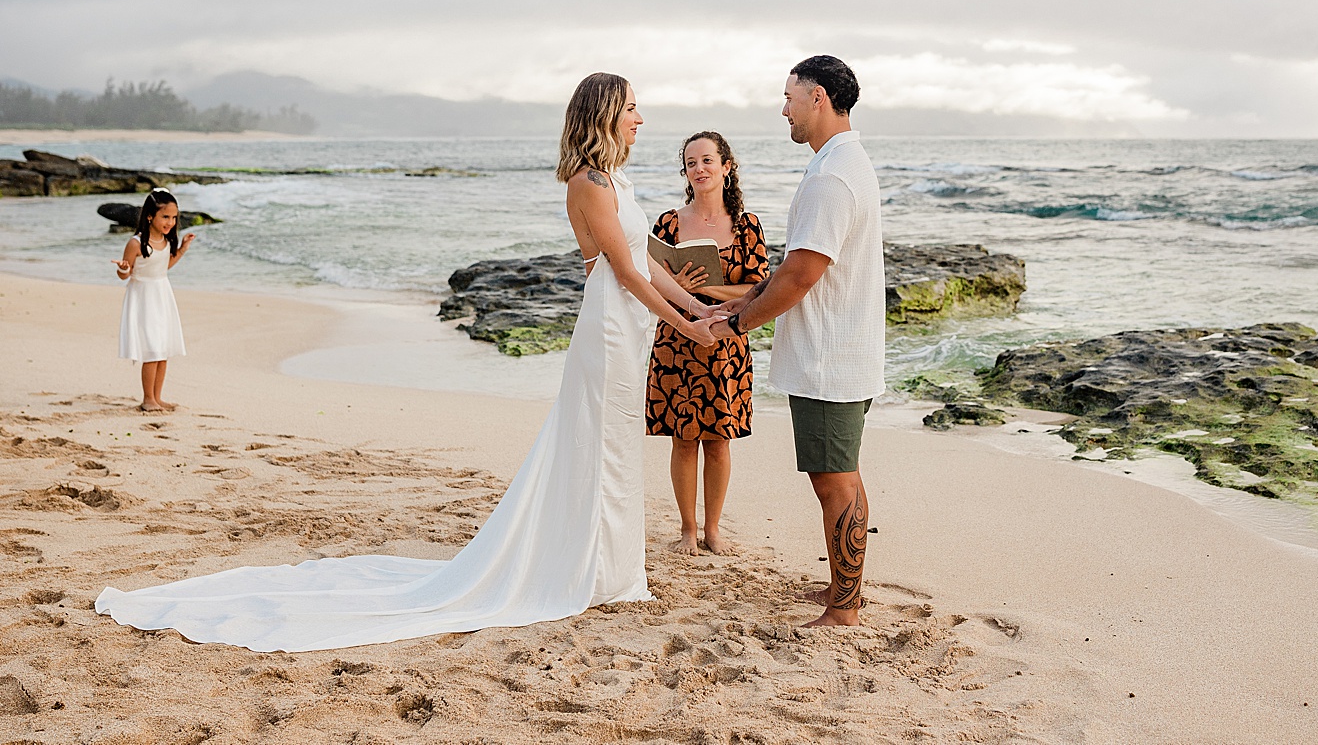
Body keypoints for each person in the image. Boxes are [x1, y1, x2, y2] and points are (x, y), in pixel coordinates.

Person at [96, 73, 720, 652]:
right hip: (609, 329)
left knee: (614, 445)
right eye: (633, 107)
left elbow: (653, 264)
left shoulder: (619, 183)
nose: (641, 117)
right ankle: (593, 572)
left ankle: (608, 568)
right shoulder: (588, 183)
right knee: (601, 447)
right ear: (607, 114)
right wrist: (686, 326)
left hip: (628, 326)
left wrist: (700, 308)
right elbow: (622, 271)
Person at [713, 55, 884, 628]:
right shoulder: (840, 165)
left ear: (818, 98)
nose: (782, 108)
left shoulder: (833, 175)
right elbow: (797, 268)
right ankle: (844, 589)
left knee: (834, 478)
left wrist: (739, 325)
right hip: (841, 350)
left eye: (788, 97)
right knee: (841, 473)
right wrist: (747, 298)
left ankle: (844, 609)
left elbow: (804, 273)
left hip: (830, 356)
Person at [647, 131, 770, 556]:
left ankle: (713, 530)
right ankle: (686, 529)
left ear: (726, 167)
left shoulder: (748, 225)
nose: (698, 169)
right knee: (683, 439)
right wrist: (678, 289)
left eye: (706, 160)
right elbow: (649, 284)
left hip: (728, 343)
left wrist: (710, 294)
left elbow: (760, 289)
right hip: (678, 338)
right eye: (690, 163)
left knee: (718, 440)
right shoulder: (668, 222)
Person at [111, 188, 195, 412]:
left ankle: (158, 397)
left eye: (174, 217)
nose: (170, 222)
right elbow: (125, 275)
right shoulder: (136, 243)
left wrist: (183, 248)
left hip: (162, 295)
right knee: (152, 349)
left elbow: (163, 266)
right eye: (165, 217)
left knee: (163, 350)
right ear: (150, 216)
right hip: (143, 298)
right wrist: (123, 269)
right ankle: (148, 399)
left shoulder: (167, 240)